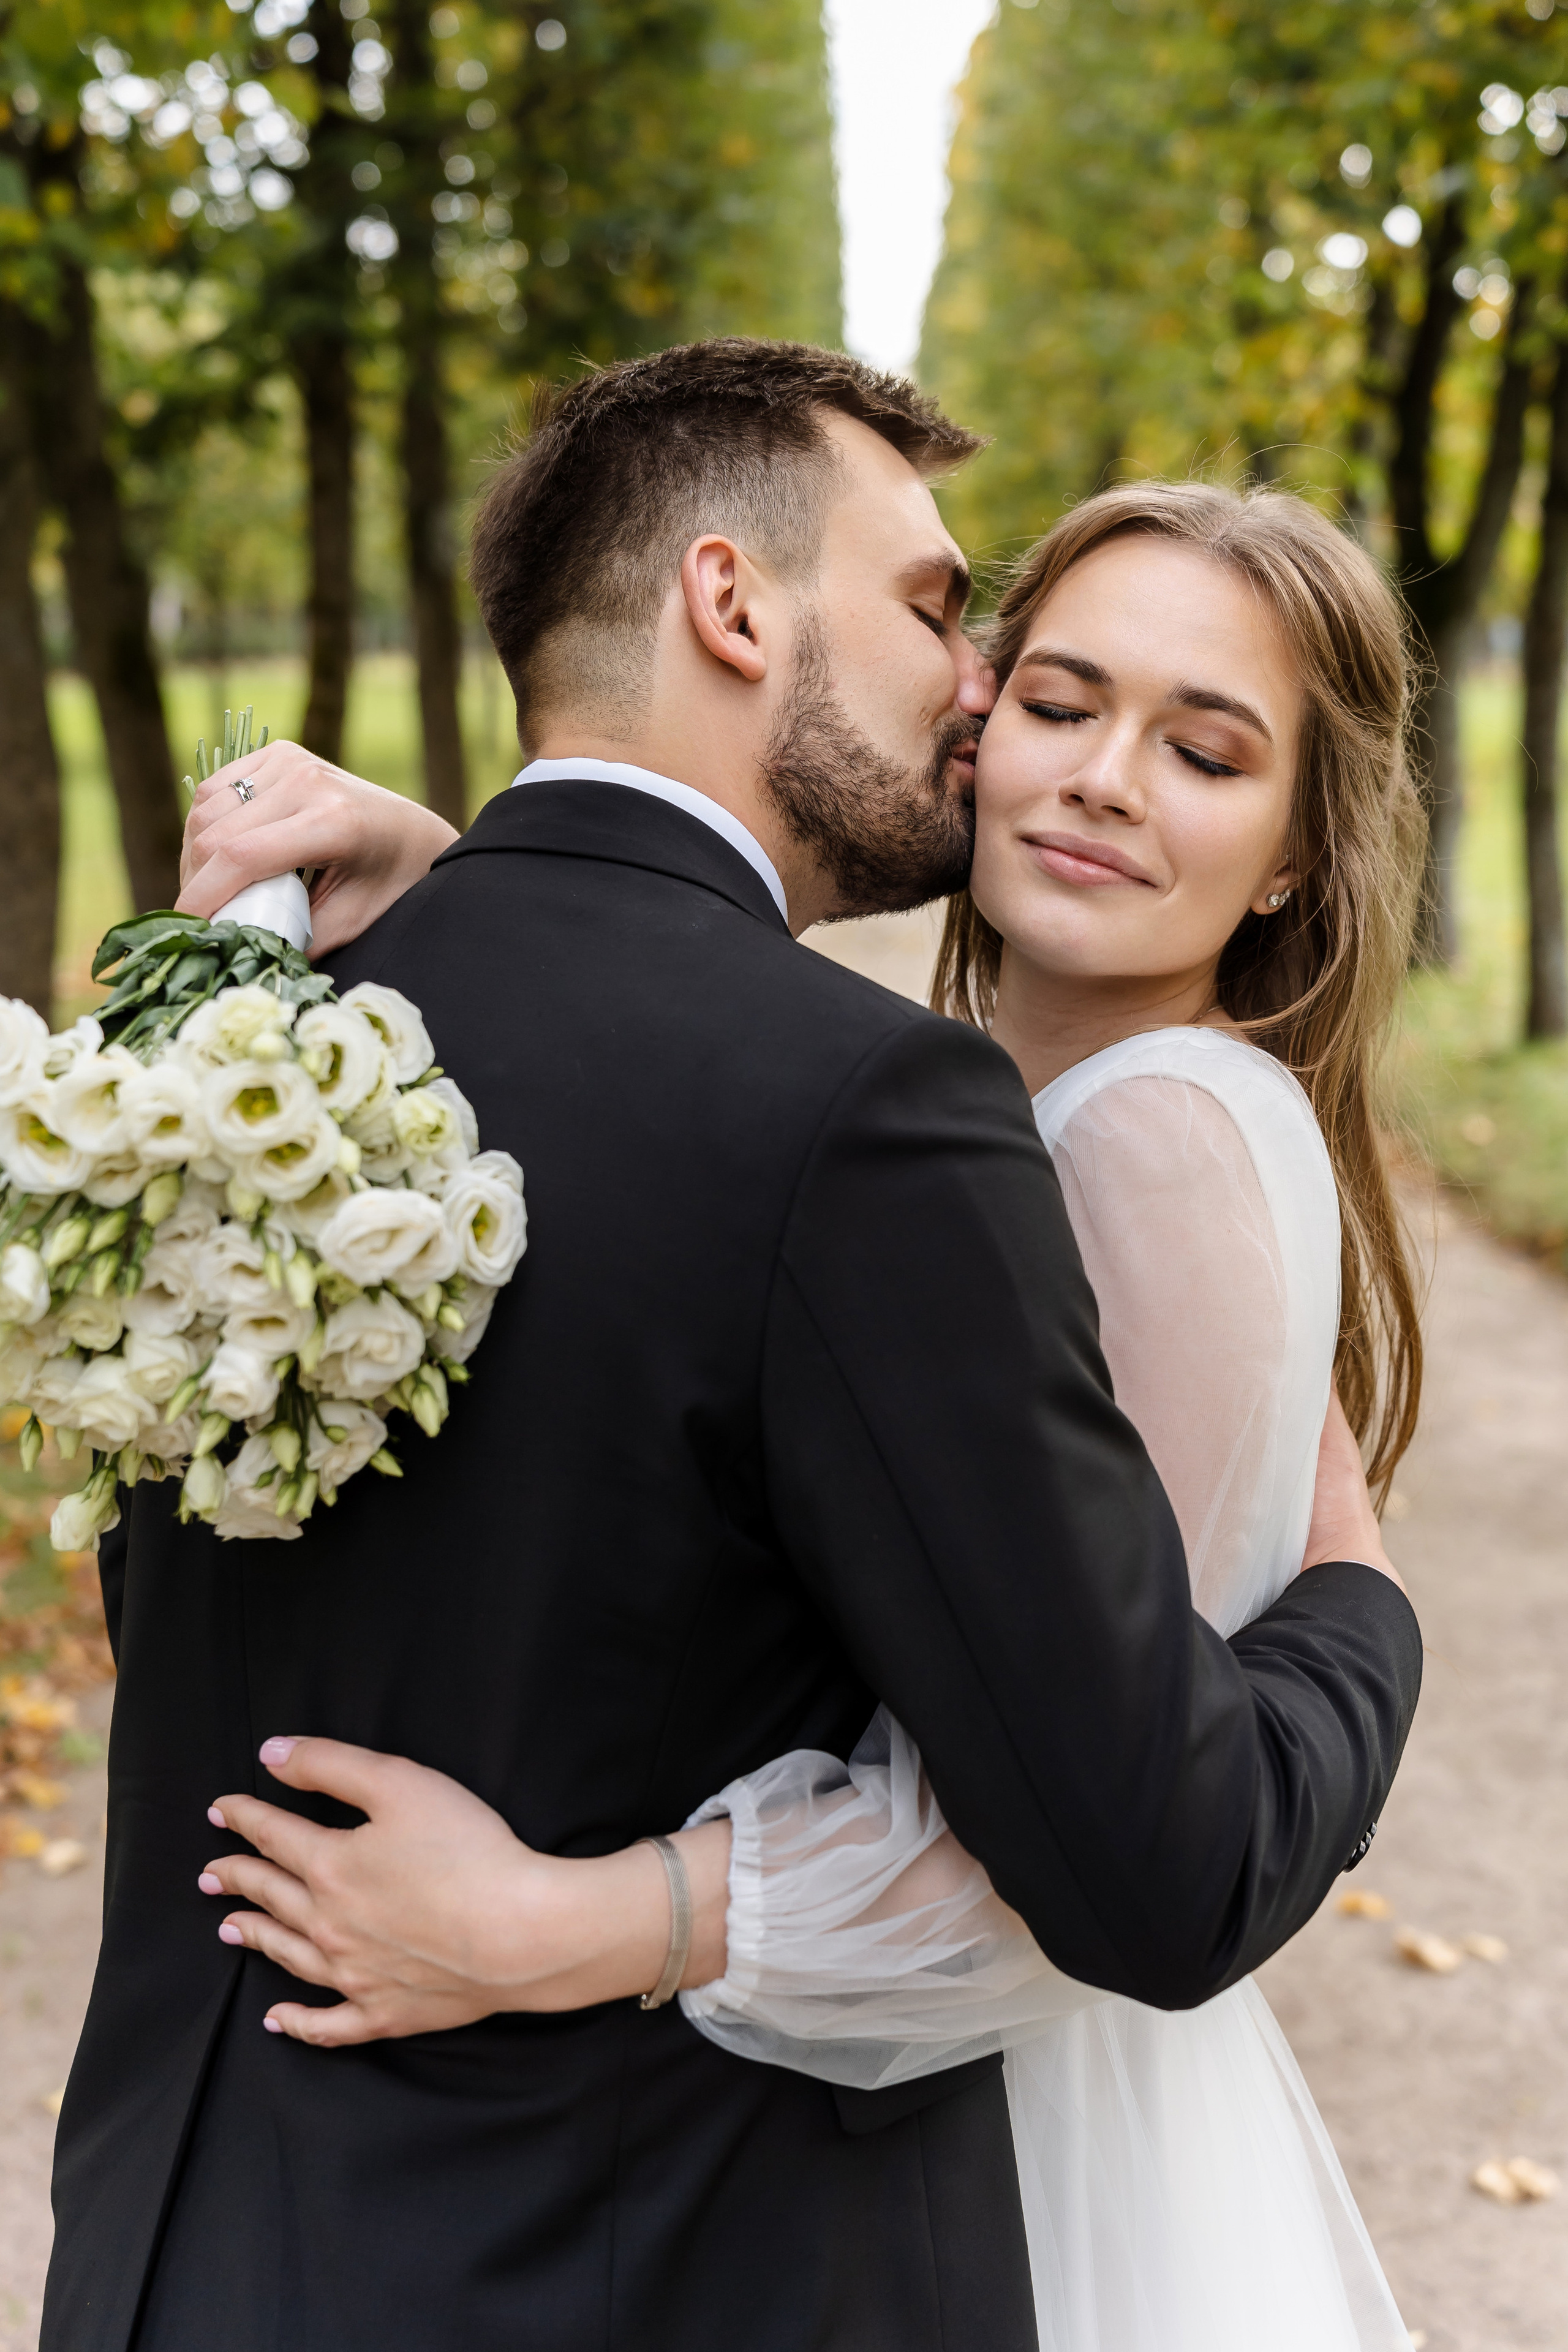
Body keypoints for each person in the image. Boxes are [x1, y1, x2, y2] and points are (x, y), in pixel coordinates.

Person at [46, 343, 1420, 2352]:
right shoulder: (874, 1117)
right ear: (730, 601)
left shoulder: (235, 1050)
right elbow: (1163, 1864)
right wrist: (1366, 1604)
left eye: (1204, 749)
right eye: (966, 627)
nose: (982, 700)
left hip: (181, 2241)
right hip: (639, 2266)